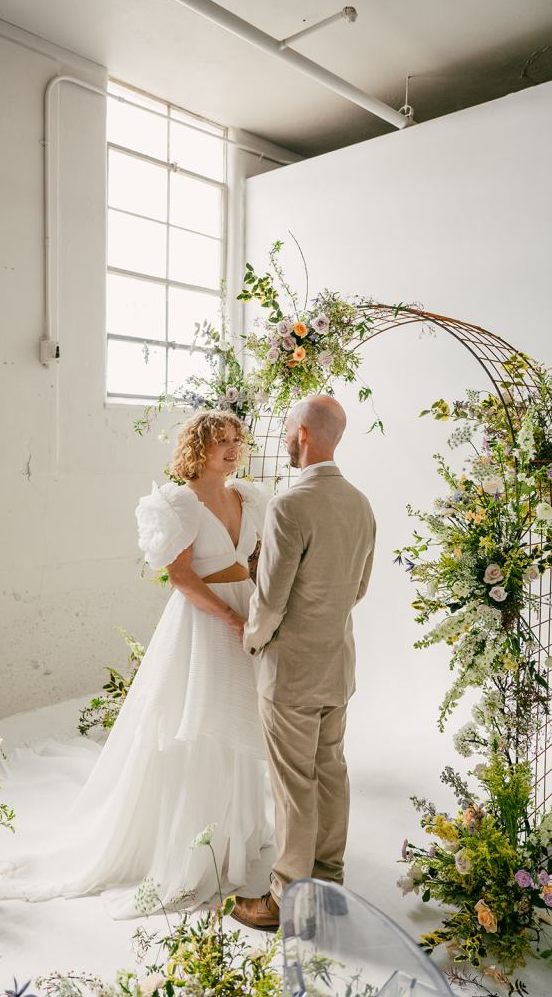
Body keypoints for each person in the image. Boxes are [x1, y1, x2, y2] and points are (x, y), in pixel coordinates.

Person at [0, 410, 272, 917]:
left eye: (236, 439)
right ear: (198, 448)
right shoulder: (177, 503)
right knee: (197, 724)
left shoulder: (247, 497)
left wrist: (258, 603)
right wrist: (232, 619)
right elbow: (182, 579)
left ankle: (231, 837)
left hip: (246, 612)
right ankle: (190, 848)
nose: (231, 448)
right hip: (203, 624)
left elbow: (253, 561)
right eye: (219, 441)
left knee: (238, 719)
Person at [231, 396, 376, 931]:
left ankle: (287, 899)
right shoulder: (360, 503)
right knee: (330, 772)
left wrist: (251, 641)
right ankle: (329, 882)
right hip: (337, 665)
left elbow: (269, 602)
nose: (286, 438)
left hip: (290, 671)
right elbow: (357, 588)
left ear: (305, 435)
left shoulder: (290, 506)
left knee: (293, 785)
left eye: (289, 429)